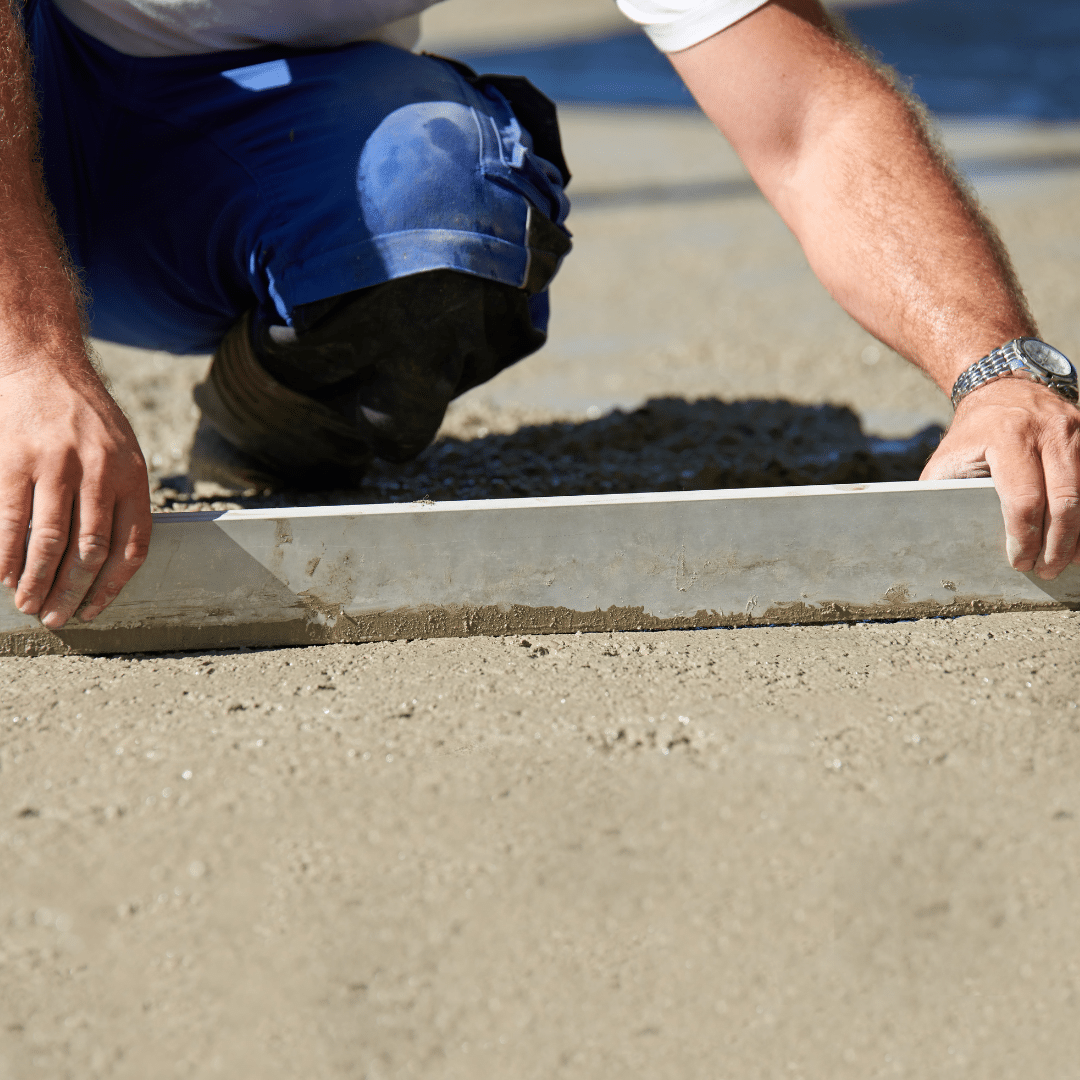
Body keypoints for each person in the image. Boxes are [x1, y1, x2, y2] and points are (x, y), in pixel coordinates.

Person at [1, 0, 1078, 633]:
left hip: (240, 168)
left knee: (443, 204)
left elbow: (814, 120)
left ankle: (282, 413)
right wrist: (30, 357)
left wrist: (1000, 368)